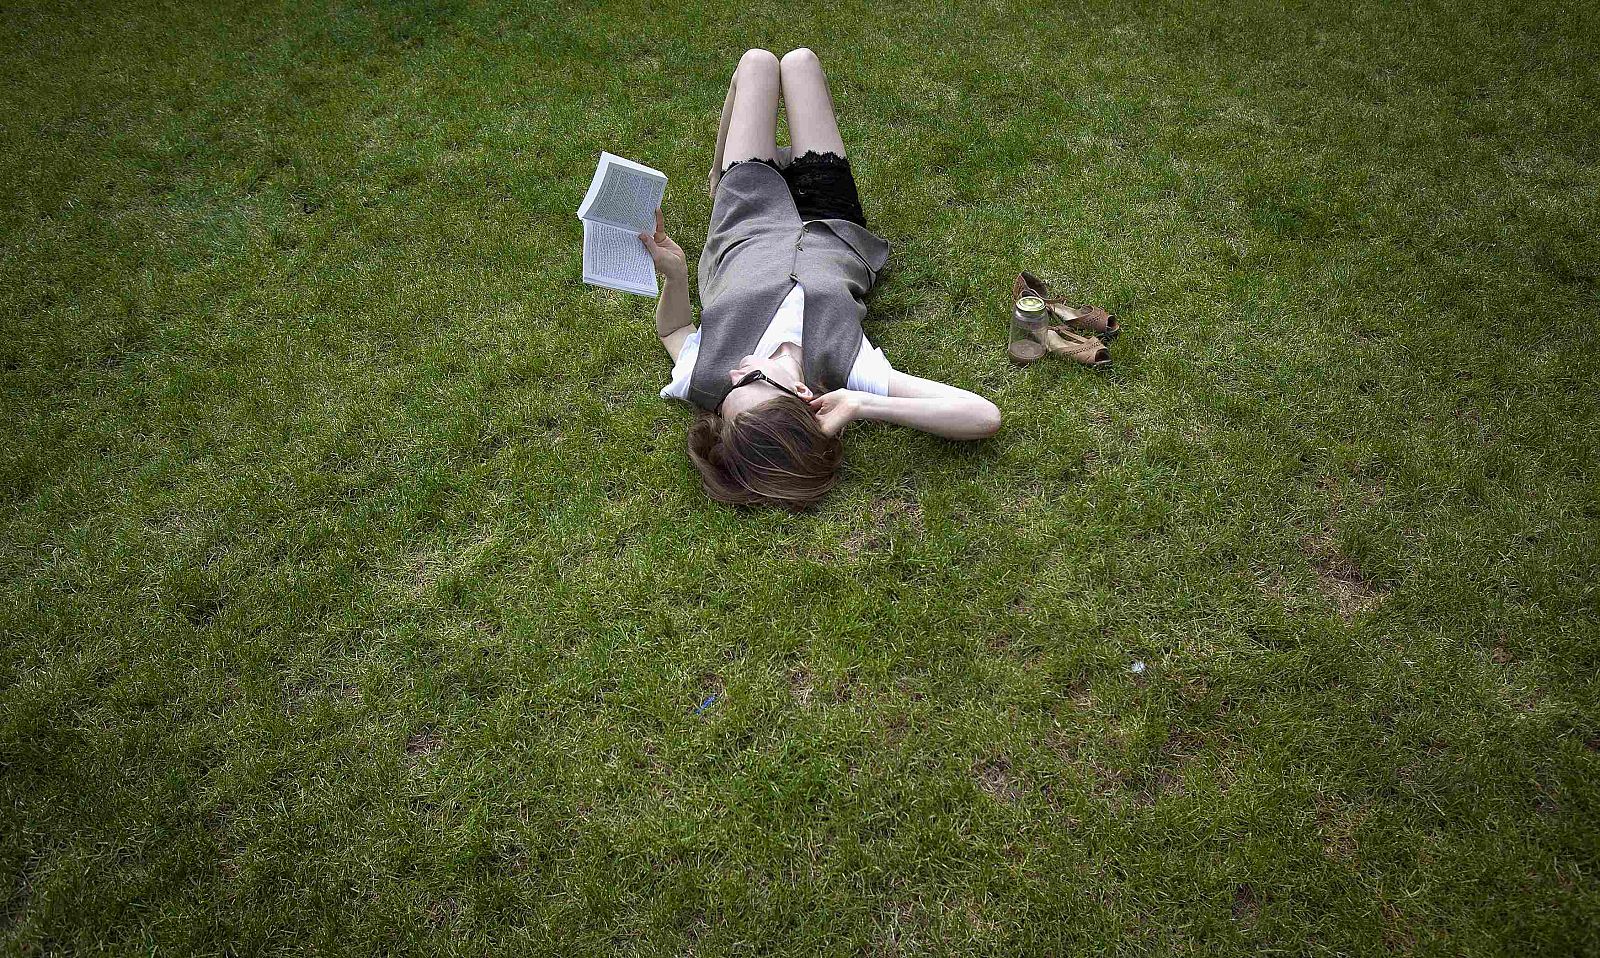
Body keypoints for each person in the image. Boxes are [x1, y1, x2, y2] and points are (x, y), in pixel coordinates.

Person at [640, 47, 1001, 509]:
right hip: (831, 221)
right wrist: (861, 404)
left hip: (745, 215)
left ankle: (719, 179)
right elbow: (983, 415)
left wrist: (675, 275)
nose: (732, 372)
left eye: (728, 390)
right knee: (801, 63)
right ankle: (742, 170)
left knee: (756, 64)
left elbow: (673, 330)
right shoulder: (847, 369)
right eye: (748, 378)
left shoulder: (705, 377)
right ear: (802, 392)